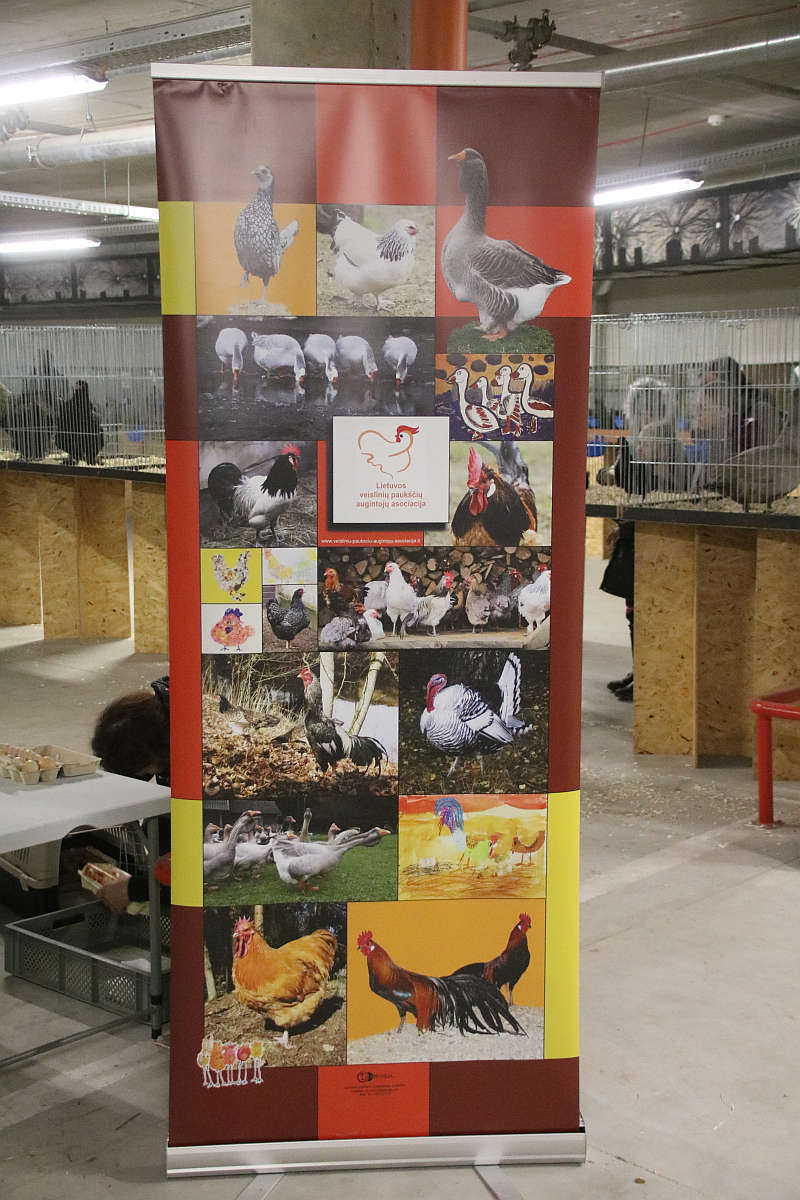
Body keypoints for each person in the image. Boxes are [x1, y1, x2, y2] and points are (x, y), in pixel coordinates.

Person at [90, 676, 170, 913]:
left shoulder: (201, 763)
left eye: (141, 770)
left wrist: (134, 889)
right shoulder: (163, 717)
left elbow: (205, 863)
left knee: (163, 830)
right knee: (156, 829)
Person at [599, 523, 634, 702]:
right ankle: (639, 671)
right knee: (633, 616)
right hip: (632, 541)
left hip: (644, 545)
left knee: (641, 618)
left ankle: (645, 676)